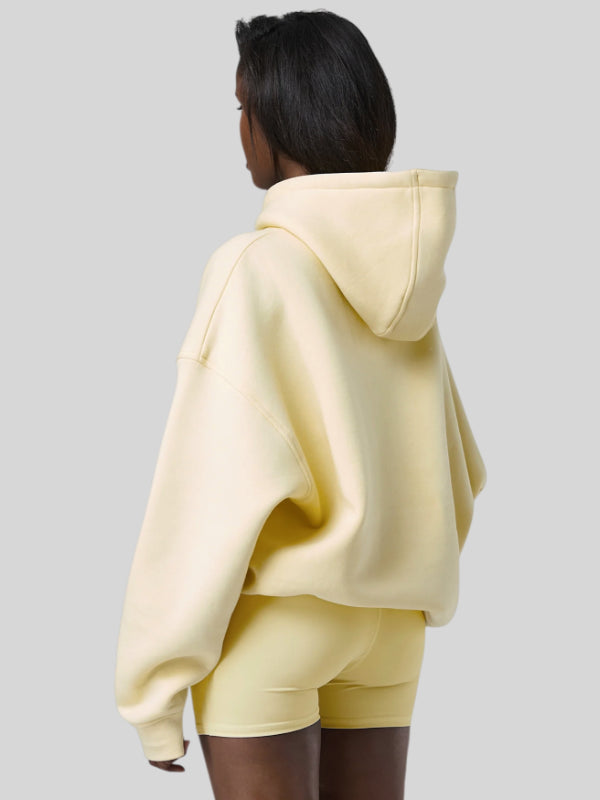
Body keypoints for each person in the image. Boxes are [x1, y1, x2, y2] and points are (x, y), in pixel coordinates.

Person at [114, 10, 487, 799]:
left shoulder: (255, 267)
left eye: (241, 108)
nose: (239, 132)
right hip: (392, 632)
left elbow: (201, 496)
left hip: (280, 630)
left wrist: (153, 689)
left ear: (278, 120)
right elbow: (463, 471)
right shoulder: (410, 290)